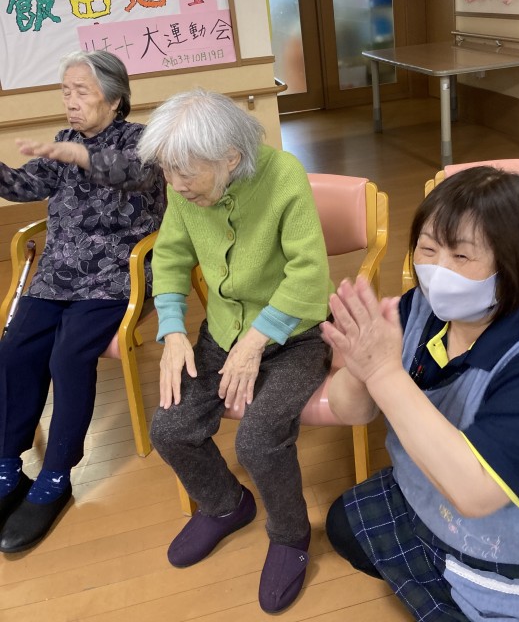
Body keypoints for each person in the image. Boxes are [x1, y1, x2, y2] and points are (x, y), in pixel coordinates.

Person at [321, 166, 519, 622]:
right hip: (432, 498)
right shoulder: (419, 309)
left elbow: (475, 493)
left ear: (513, 265)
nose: (437, 271)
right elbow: (350, 410)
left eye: (462, 255)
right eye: (428, 249)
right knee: (342, 525)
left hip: (518, 532)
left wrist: (384, 372)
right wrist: (358, 367)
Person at [136, 89, 332, 614]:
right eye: (167, 170)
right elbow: (170, 257)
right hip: (222, 333)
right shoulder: (185, 190)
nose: (174, 184)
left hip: (295, 336)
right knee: (170, 429)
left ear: (231, 158)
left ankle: (290, 535)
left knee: (258, 441)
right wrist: (173, 331)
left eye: (184, 172)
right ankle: (225, 505)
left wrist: (257, 338)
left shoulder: (284, 175)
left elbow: (310, 273)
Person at [0, 50, 165, 553]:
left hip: (116, 275)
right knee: (14, 349)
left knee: (68, 357)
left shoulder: (141, 141)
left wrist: (80, 157)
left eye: (82, 92)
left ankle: (56, 476)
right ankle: (7, 464)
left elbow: (134, 174)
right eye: (65, 92)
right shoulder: (65, 139)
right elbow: (25, 184)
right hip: (57, 275)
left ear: (114, 99)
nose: (70, 102)